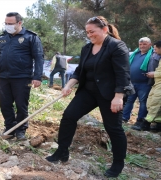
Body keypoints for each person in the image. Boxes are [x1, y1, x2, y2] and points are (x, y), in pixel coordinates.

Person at [45, 16, 132, 178]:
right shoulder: (87, 48)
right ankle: (62, 151)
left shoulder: (116, 46)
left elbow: (123, 73)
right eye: (87, 32)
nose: (89, 35)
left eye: (92, 32)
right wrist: (68, 86)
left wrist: (118, 96)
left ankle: (118, 163)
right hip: (89, 92)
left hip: (111, 94)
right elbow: (79, 72)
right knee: (69, 116)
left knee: (113, 128)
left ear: (105, 30)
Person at [0, 12, 44, 140]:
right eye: (6, 23)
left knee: (21, 104)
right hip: (4, 77)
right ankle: (10, 127)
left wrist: (37, 76)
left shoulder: (30, 37)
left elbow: (39, 57)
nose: (7, 26)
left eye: (10, 24)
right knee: (5, 104)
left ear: (19, 23)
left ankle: (20, 130)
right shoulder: (2, 38)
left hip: (22, 77)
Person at [122, 37, 153, 130]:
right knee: (129, 101)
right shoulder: (134, 54)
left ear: (150, 45)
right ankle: (124, 118)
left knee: (143, 103)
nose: (142, 46)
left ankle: (140, 121)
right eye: (140, 44)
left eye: (144, 44)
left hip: (145, 84)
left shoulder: (153, 55)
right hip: (132, 82)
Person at [138, 41, 161, 131]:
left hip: (160, 84)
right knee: (151, 101)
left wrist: (154, 74)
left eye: (155, 49)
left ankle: (145, 124)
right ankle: (158, 124)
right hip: (157, 83)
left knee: (155, 103)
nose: (154, 51)